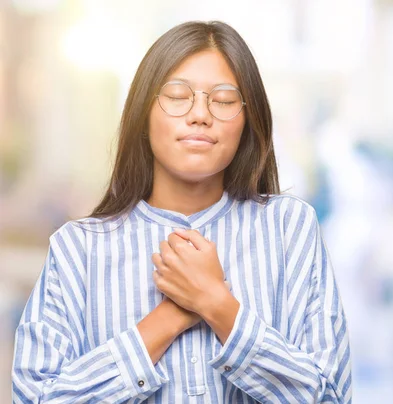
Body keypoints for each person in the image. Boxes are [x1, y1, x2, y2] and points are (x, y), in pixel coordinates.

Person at [12, 21, 352, 403]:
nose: (200, 115)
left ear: (248, 119)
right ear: (143, 111)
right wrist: (165, 321)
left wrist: (217, 305)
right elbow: (37, 397)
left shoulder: (290, 228)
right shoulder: (78, 249)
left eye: (223, 100)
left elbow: (330, 396)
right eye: (177, 95)